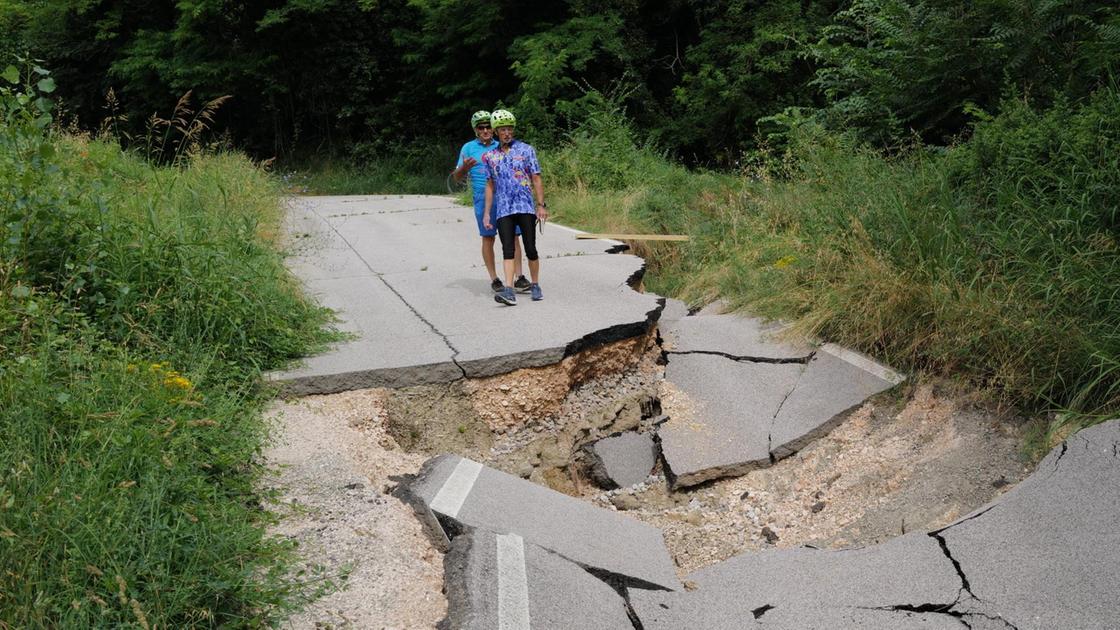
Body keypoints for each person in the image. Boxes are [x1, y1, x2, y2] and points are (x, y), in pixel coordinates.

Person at [452, 110, 529, 293]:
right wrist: (464, 168)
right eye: (481, 127)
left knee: (514, 236)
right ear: (476, 130)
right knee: (488, 237)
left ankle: (519, 277)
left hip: (506, 197)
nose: (485, 130)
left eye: (488, 127)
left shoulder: (501, 144)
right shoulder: (469, 148)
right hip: (482, 197)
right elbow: (456, 178)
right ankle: (494, 278)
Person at [482, 109, 547, 306]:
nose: (507, 133)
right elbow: (490, 185)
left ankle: (535, 284)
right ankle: (509, 290)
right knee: (507, 249)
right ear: (496, 132)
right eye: (503, 129)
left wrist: (541, 205)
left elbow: (536, 178)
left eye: (510, 128)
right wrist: (487, 213)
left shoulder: (526, 150)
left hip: (525, 207)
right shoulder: (489, 156)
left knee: (530, 248)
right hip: (504, 210)